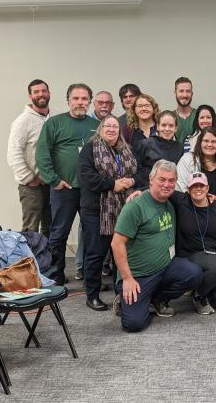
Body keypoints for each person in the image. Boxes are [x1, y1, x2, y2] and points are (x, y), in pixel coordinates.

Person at [111, 160, 203, 332]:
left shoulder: (170, 203)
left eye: (171, 180)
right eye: (162, 179)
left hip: (165, 267)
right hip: (138, 275)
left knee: (194, 274)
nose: (166, 184)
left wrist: (211, 197)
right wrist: (127, 279)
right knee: (133, 324)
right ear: (151, 179)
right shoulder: (136, 206)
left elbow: (196, 197)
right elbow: (117, 243)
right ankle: (124, 297)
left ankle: (156, 298)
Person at [35, 83, 99, 285]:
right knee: (58, 234)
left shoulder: (96, 125)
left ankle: (91, 278)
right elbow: (42, 154)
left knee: (92, 235)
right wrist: (53, 180)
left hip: (90, 190)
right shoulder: (54, 123)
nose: (80, 102)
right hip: (64, 189)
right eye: (76, 98)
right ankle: (56, 277)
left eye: (84, 99)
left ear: (90, 101)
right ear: (68, 100)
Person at [77, 115, 137, 311]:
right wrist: (113, 184)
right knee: (95, 253)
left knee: (119, 252)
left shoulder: (124, 149)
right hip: (96, 210)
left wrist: (131, 182)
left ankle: (119, 293)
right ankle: (91, 295)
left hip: (122, 209)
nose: (112, 129)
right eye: (108, 126)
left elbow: (136, 171)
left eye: (115, 127)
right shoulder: (90, 149)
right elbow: (87, 177)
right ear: (101, 129)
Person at [171, 172, 216, 314]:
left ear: (207, 188)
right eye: (194, 186)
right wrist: (139, 192)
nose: (198, 189)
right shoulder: (182, 201)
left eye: (201, 185)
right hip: (192, 255)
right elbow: (161, 188)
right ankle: (199, 294)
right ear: (188, 189)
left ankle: (210, 289)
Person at [7, 79, 52, 236]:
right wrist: (30, 178)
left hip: (51, 184)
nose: (41, 94)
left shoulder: (54, 120)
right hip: (32, 187)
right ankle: (30, 261)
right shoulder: (22, 121)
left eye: (43, 91)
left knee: (50, 228)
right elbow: (13, 154)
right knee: (31, 230)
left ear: (49, 93)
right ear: (30, 96)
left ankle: (47, 261)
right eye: (36, 92)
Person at [177, 127, 216, 207]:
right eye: (206, 141)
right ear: (200, 143)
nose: (210, 145)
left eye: (213, 141)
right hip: (192, 209)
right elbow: (181, 188)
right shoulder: (187, 160)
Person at [134, 110, 184, 188]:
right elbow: (137, 170)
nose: (167, 129)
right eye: (163, 125)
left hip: (170, 190)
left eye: (171, 126)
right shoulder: (145, 144)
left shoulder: (180, 148)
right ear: (157, 126)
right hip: (146, 189)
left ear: (176, 128)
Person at [174, 76, 197, 145]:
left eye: (188, 91)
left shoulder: (200, 115)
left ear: (192, 94)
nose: (185, 95)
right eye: (181, 91)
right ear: (175, 93)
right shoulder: (169, 117)